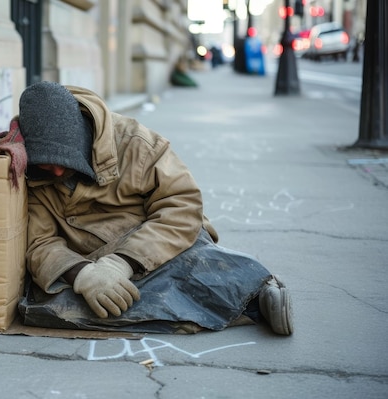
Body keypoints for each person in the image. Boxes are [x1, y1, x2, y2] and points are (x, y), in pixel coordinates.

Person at [17, 81, 293, 336]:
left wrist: (122, 263)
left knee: (195, 257)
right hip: (86, 262)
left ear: (82, 137)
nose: (55, 170)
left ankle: (256, 293)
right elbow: (39, 242)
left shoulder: (138, 143)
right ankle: (218, 309)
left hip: (151, 247)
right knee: (52, 306)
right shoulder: (29, 171)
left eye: (65, 160)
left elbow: (182, 208)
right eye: (46, 163)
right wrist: (81, 274)